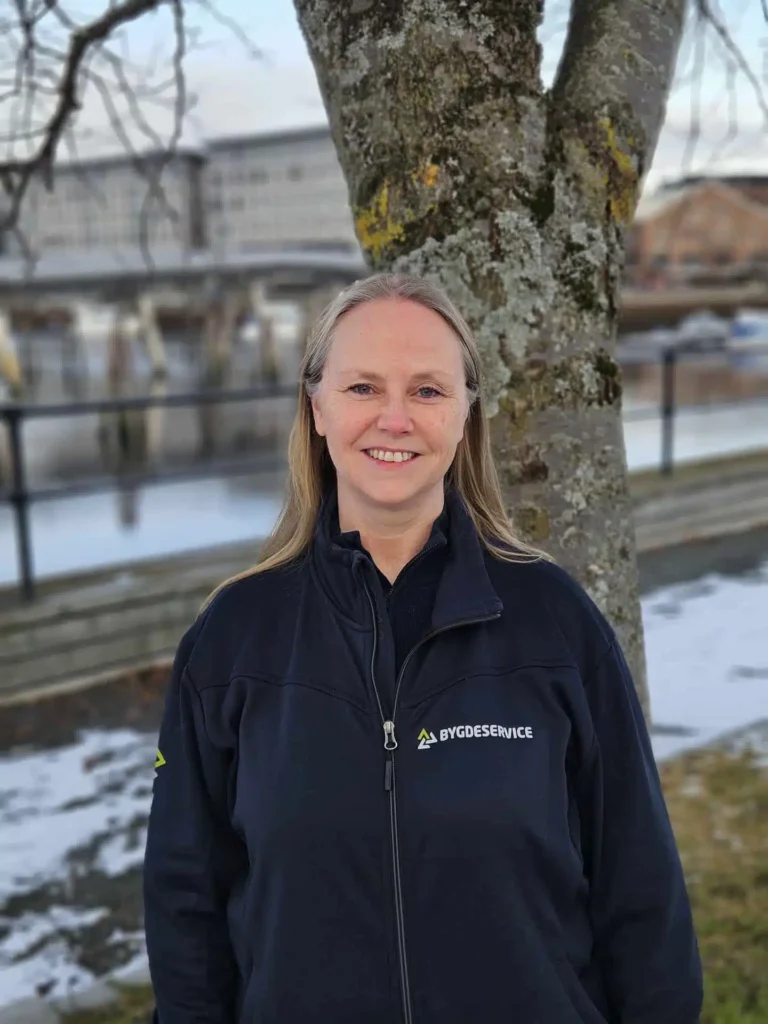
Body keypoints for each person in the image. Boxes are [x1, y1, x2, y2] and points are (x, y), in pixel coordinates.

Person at [143, 273, 703, 1024]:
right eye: (363, 387)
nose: (395, 418)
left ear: (466, 413)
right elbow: (185, 903)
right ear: (317, 407)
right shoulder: (233, 639)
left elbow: (641, 888)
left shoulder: (555, 625)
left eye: (428, 391)